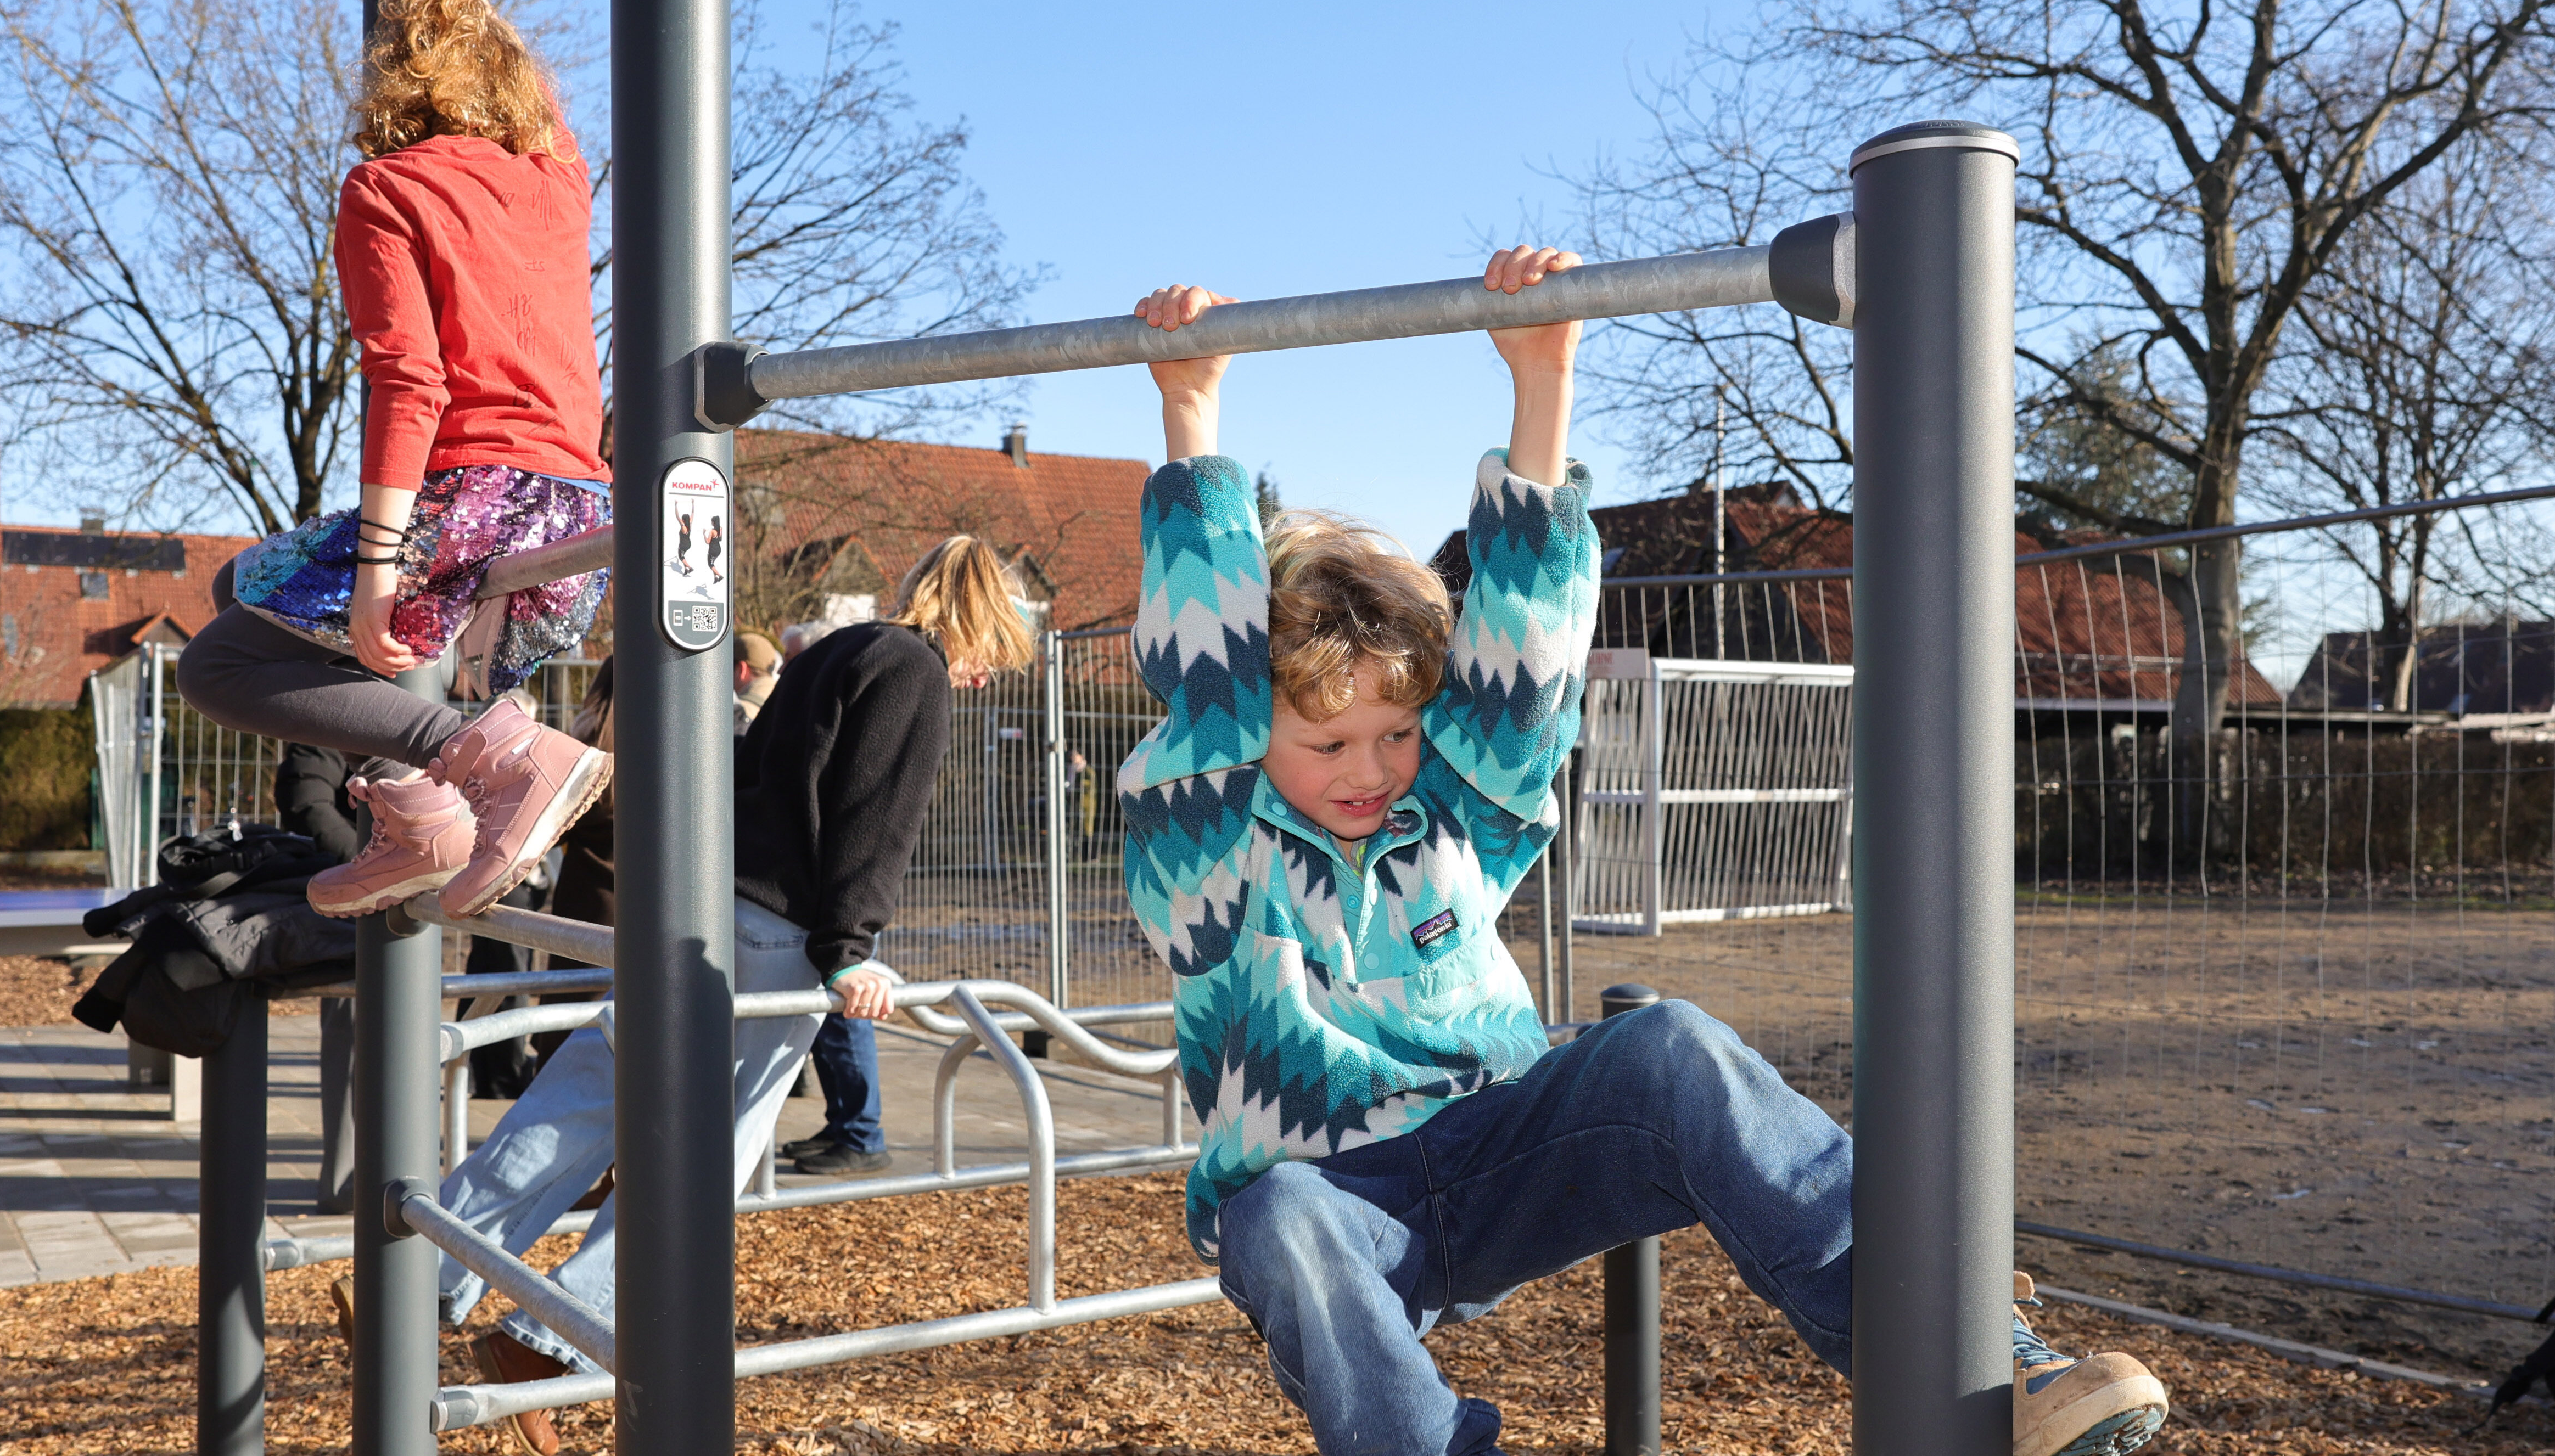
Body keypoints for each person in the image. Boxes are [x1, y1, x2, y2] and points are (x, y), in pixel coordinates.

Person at [1118, 251, 2171, 1456]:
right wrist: (1189, 406)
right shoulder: (1209, 861)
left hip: (1503, 1144)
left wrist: (1541, 373)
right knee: (1282, 1217)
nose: (1368, 769)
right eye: (1328, 741)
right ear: (1255, 736)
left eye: (1397, 732)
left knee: (1670, 1046)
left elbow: (1523, 663)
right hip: (1333, 1199)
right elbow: (1204, 673)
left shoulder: (1448, 818)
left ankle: (1978, 1371)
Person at [434, 536, 1034, 1455]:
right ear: (979, 623)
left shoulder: (835, 650)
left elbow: (753, 773)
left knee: (590, 1094)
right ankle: (544, 1347)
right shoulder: (911, 669)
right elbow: (877, 819)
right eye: (997, 656)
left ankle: (424, 1275)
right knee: (702, 1161)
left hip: (704, 908)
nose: (986, 680)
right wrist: (847, 952)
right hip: (778, 936)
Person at [175, 0, 610, 925]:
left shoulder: (387, 187)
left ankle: (503, 764)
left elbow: (408, 382)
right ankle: (423, 814)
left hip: (478, 506)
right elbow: (543, 107)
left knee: (217, 664)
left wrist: (379, 566)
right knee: (245, 585)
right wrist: (480, 9)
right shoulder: (556, 178)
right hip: (572, 513)